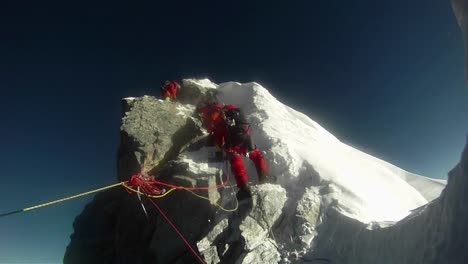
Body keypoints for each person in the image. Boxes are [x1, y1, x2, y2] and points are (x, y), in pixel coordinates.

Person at [197, 102, 269, 200]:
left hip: (232, 142)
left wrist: (218, 152)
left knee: (236, 160)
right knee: (256, 155)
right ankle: (263, 176)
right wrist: (246, 138)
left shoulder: (214, 118)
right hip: (244, 137)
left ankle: (244, 188)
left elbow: (218, 135)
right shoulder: (230, 111)